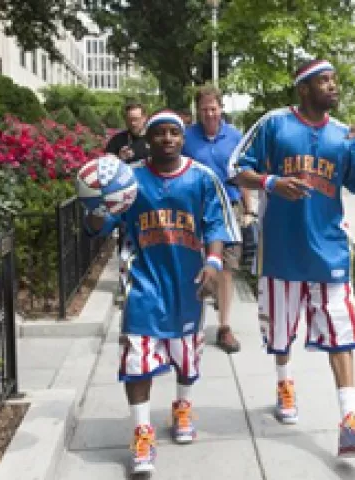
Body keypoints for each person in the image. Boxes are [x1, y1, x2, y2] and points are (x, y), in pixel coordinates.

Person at [228, 59, 355, 458]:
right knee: (281, 336)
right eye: (324, 81)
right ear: (304, 88)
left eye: (334, 80)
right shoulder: (274, 125)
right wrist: (271, 182)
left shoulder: (343, 135)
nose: (333, 86)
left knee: (342, 335)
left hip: (329, 253)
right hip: (281, 253)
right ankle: (285, 382)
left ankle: (350, 423)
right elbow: (235, 169)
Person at [83, 109, 240, 474]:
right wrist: (93, 204)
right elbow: (102, 224)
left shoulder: (201, 178)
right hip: (145, 283)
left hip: (188, 284)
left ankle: (183, 407)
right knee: (137, 361)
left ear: (182, 139)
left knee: (187, 360)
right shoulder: (130, 180)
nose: (167, 138)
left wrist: (214, 264)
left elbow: (216, 226)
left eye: (174, 133)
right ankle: (142, 431)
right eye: (160, 133)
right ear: (148, 139)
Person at [183, 85, 254, 354]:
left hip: (228, 209)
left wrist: (248, 209)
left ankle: (224, 326)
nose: (210, 114)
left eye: (214, 108)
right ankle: (192, 322)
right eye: (204, 109)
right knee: (196, 265)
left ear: (221, 108)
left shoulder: (234, 136)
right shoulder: (188, 138)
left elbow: (242, 174)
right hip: (195, 209)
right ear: (198, 111)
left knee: (227, 268)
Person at [104, 102, 151, 304]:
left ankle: (147, 285)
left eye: (137, 118)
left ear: (144, 118)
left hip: (150, 200)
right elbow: (105, 171)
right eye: (130, 119)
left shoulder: (154, 139)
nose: (133, 122)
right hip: (127, 203)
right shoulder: (118, 141)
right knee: (125, 244)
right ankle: (124, 287)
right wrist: (118, 160)